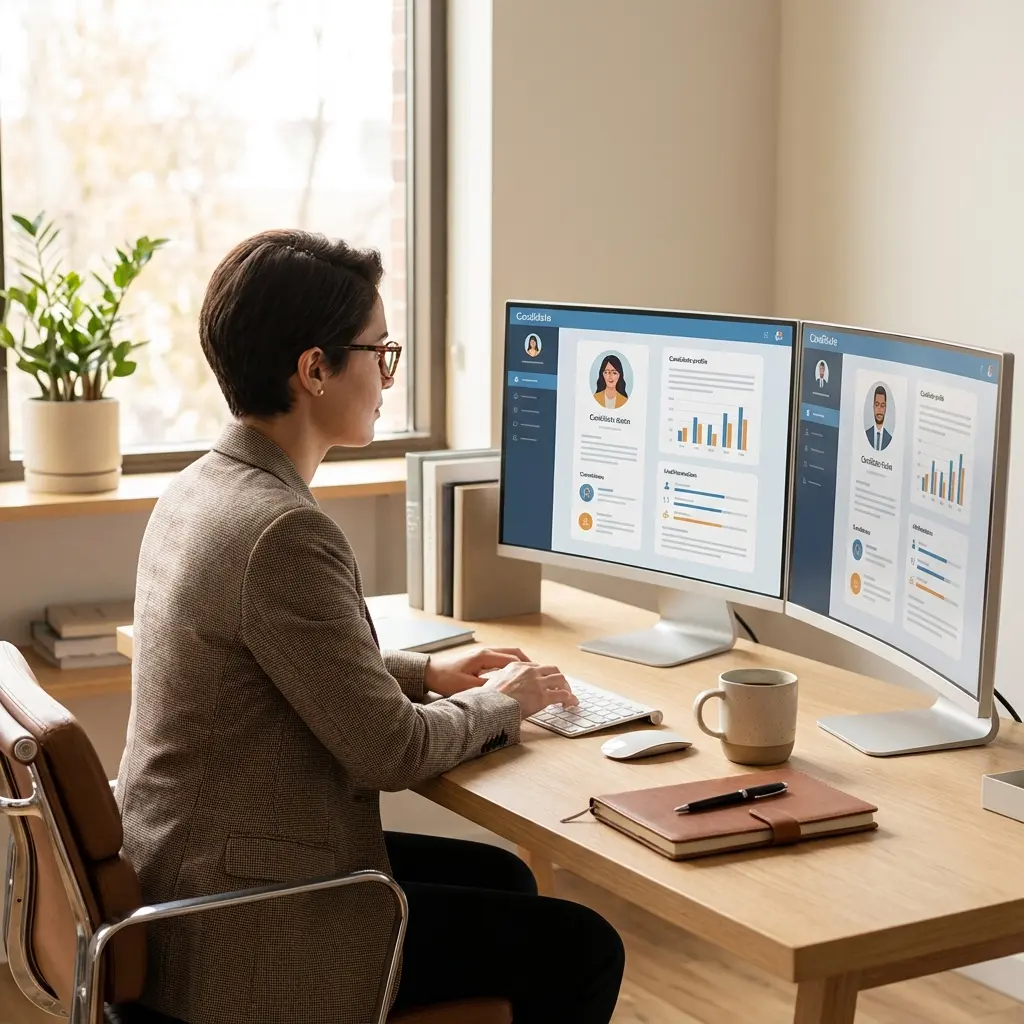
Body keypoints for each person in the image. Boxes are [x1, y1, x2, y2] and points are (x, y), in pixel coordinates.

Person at [115, 229, 625, 1024]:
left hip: (184, 884)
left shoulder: (200, 489)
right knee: (584, 948)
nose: (389, 375)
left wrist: (430, 675)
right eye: (378, 353)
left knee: (507, 883)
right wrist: (505, 701)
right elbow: (390, 750)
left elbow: (282, 661)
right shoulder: (282, 531)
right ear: (315, 369)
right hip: (244, 924)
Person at [866, 384, 893, 450]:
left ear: (885, 408)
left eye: (882, 406)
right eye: (877, 405)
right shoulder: (866, 435)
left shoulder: (889, 438)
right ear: (873, 407)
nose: (879, 409)